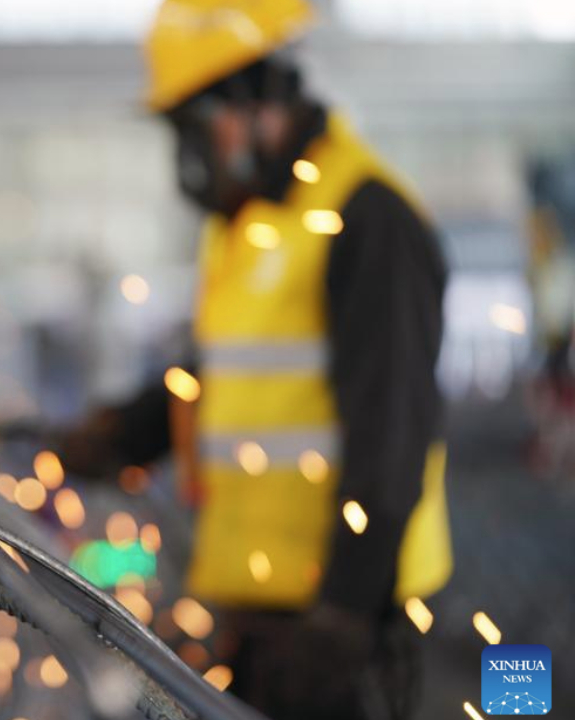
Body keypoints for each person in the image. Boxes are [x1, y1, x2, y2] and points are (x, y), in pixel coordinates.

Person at [61, 1, 453, 718]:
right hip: (255, 614)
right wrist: (118, 434)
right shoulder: (246, 227)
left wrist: (343, 614)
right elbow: (221, 378)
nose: (185, 155)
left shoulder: (366, 217)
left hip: (341, 626)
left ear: (255, 101)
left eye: (190, 126)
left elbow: (391, 433)